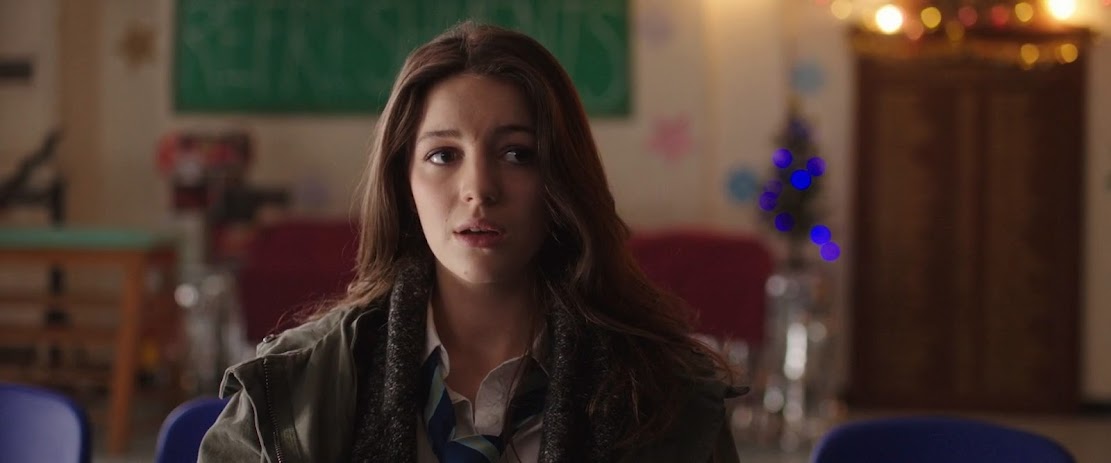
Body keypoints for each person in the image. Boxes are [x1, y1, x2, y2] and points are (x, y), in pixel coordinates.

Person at [198, 21, 744, 463]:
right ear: (403, 183)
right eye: (443, 155)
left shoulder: (666, 395)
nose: (479, 189)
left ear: (561, 178)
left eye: (517, 154)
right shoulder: (294, 385)